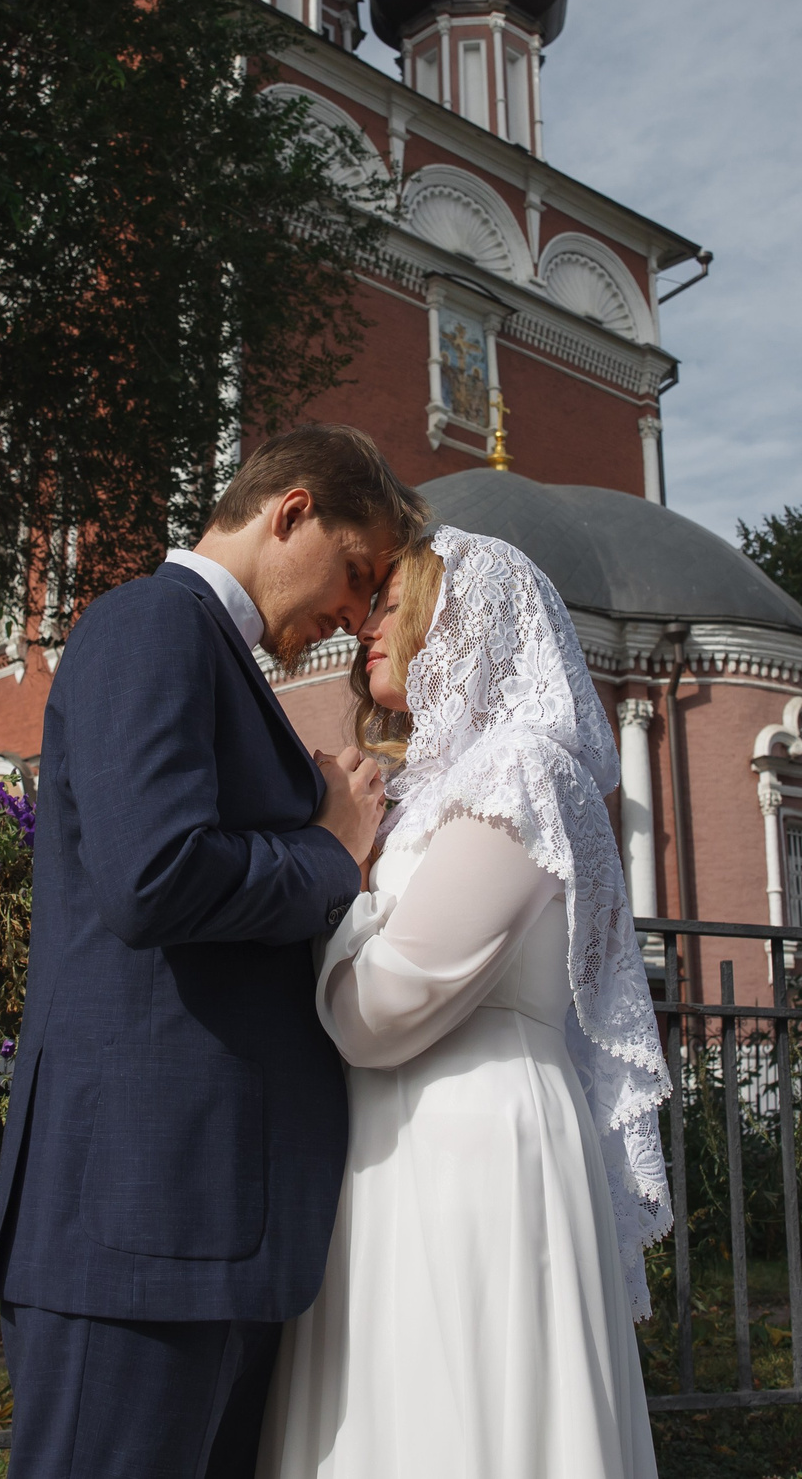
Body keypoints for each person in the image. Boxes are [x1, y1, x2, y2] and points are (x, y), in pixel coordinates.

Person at [0, 425, 425, 1479]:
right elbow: (154, 876)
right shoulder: (151, 624)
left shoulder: (208, 650)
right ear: (291, 512)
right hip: (141, 1216)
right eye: (356, 574)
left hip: (205, 1217)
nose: (353, 616)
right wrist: (331, 849)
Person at [260, 527, 672, 1479]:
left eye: (391, 604)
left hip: (471, 1143)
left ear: (468, 619)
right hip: (396, 1144)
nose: (363, 624)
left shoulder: (523, 771)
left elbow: (382, 1010)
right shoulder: (425, 786)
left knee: (467, 1417)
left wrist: (342, 858)